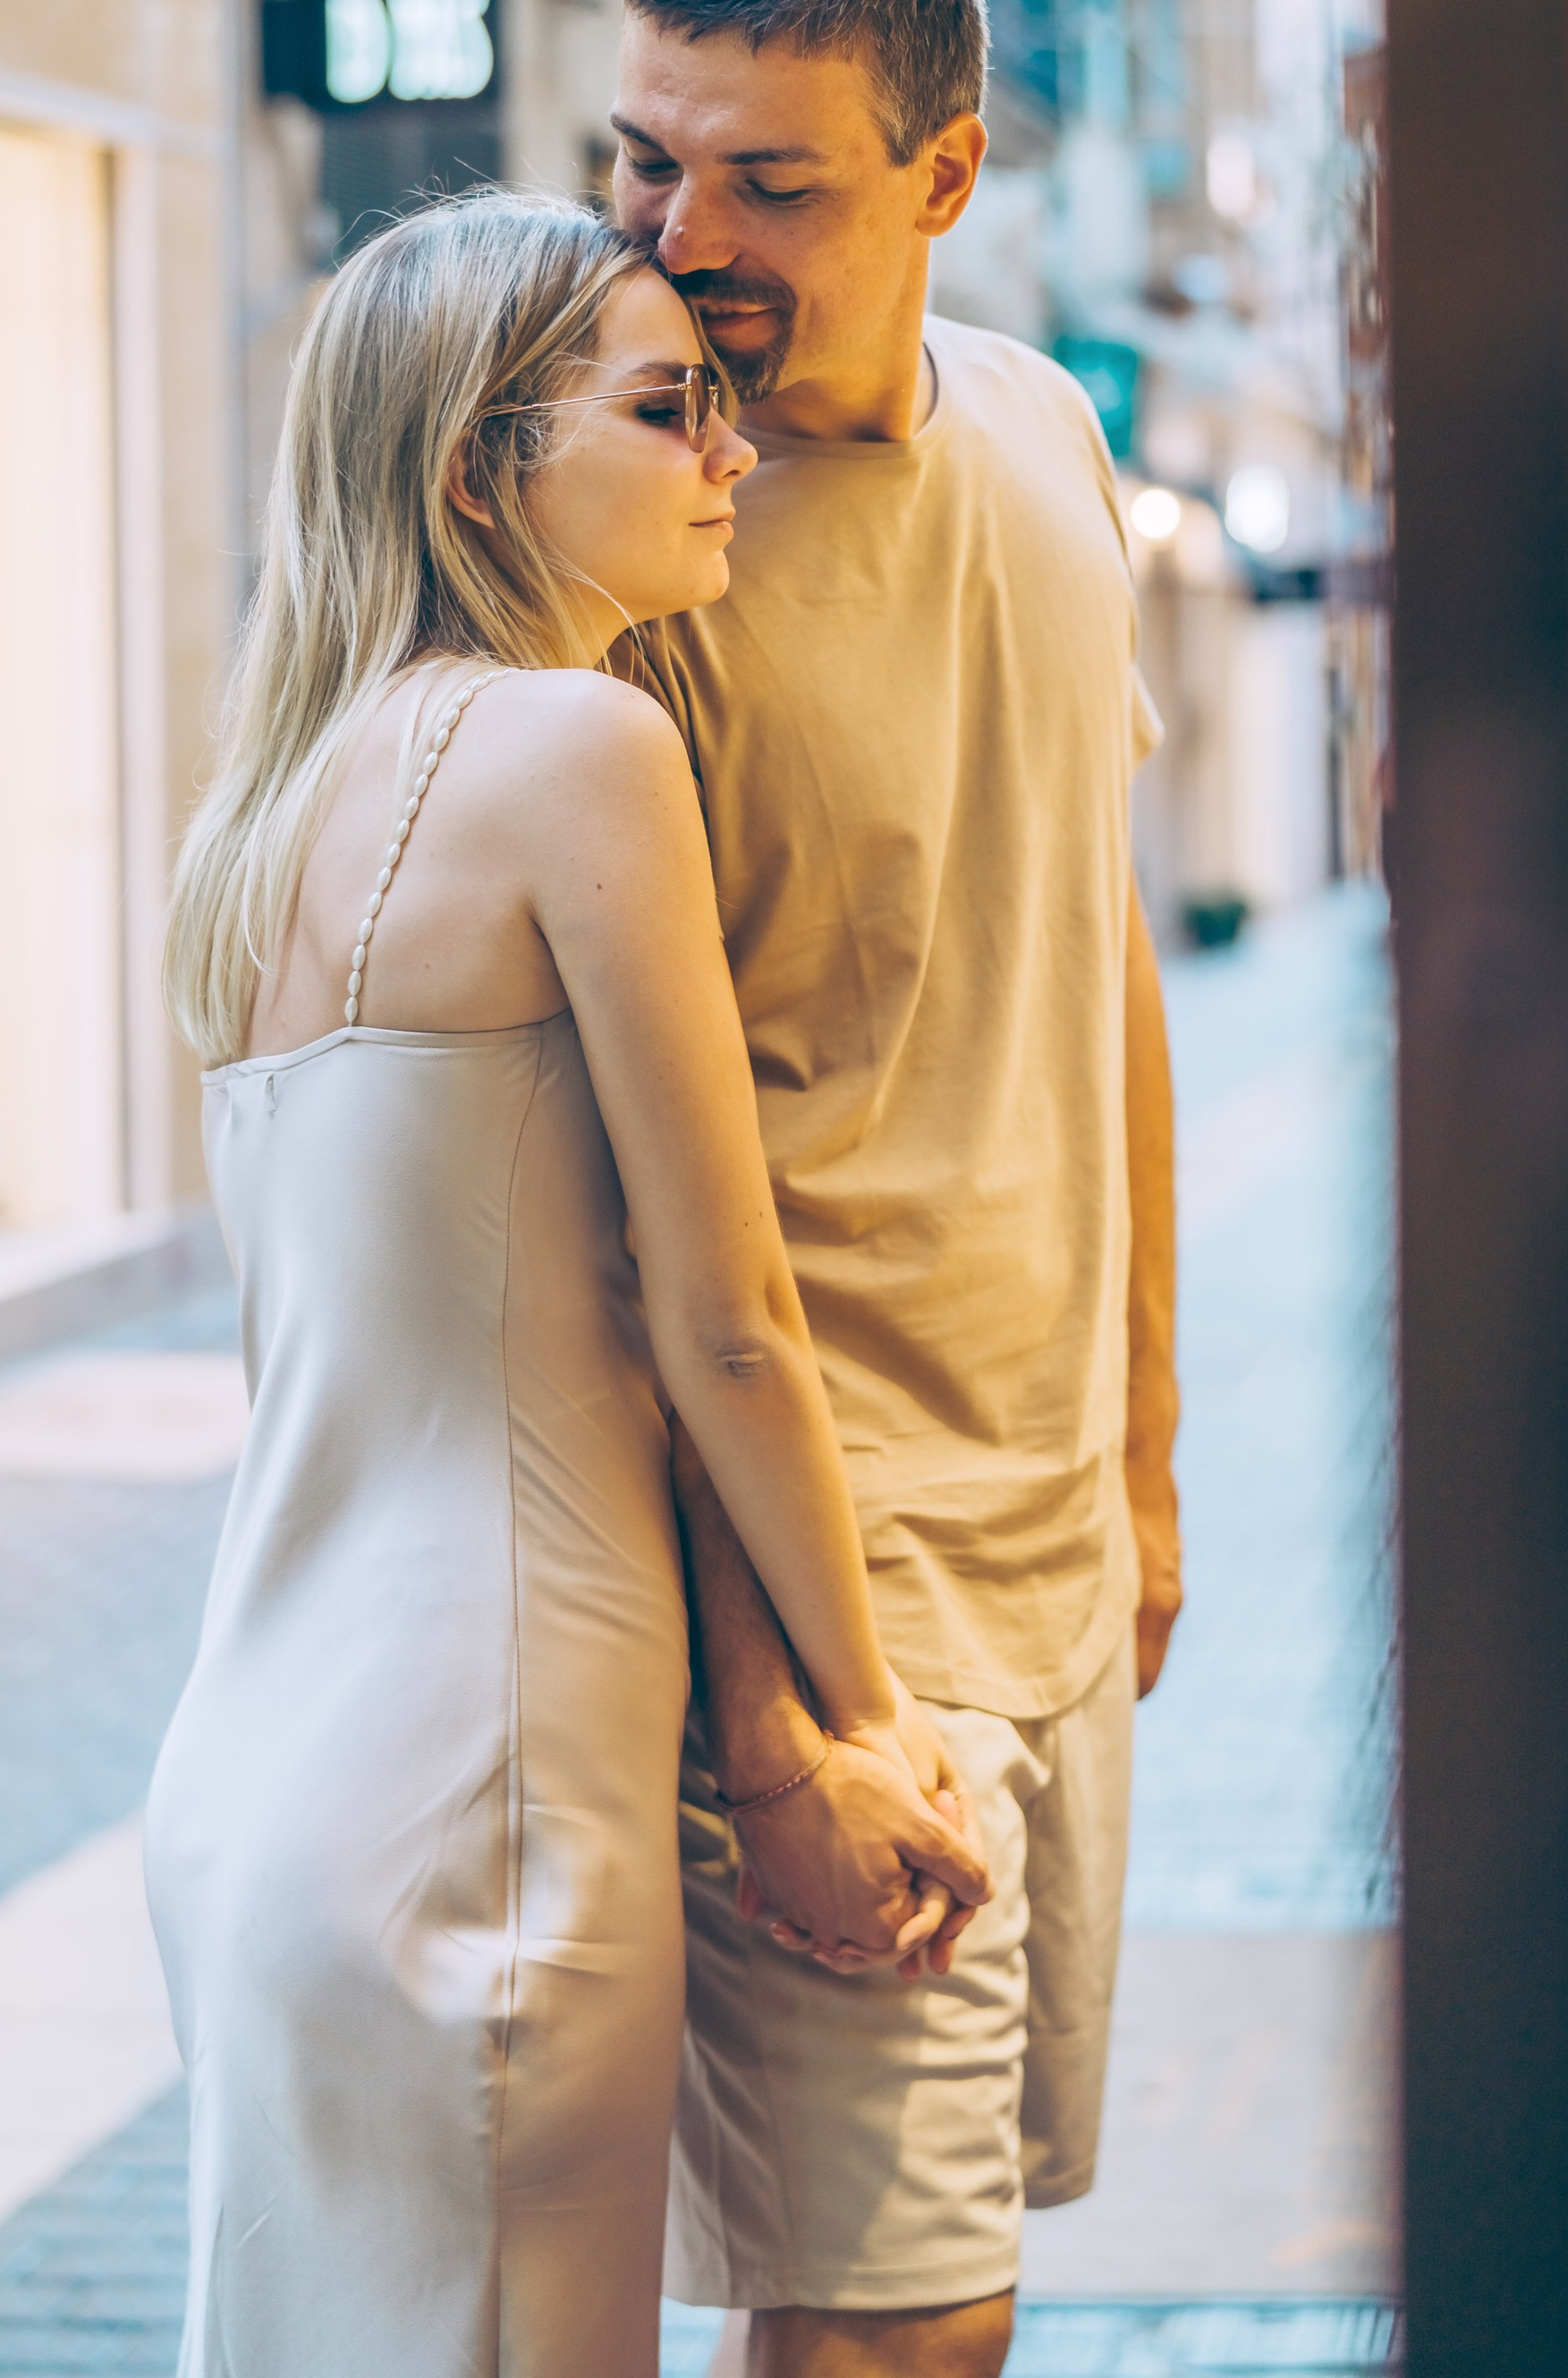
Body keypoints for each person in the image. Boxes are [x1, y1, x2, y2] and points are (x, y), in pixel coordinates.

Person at [146, 193, 987, 2378]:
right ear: (472, 464)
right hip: (491, 1785)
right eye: (667, 404)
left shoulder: (258, 818)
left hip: (263, 1778)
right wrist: (867, 1720)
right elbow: (726, 1327)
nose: (730, 449)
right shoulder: (575, 748)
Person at [611, 0, 1182, 2378]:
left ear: (947, 178)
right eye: (646, 157)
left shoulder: (1055, 436)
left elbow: (1107, 957)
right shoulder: (641, 554)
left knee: (931, 2300)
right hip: (840, 1588)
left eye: (771, 180)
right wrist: (771, 1714)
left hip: (1058, 1562)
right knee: (893, 2324)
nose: (680, 231)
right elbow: (643, 1200)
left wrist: (1149, 1463)